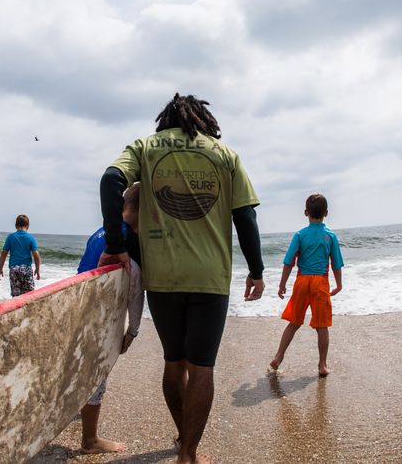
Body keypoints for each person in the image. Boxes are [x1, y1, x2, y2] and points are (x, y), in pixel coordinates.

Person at [98, 93, 265, 464]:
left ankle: (182, 433)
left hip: (163, 278)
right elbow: (245, 217)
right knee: (202, 367)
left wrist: (116, 244)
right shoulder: (225, 154)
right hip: (209, 278)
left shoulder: (146, 147)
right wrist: (256, 270)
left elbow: (111, 181)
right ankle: (188, 452)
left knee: (174, 362)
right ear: (202, 119)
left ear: (165, 120)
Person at [76, 182, 145, 454]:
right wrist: (132, 333)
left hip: (79, 309)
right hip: (99, 320)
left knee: (82, 371)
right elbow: (135, 289)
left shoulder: (100, 232)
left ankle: (78, 411)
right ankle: (90, 440)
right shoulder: (128, 243)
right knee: (96, 378)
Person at [270, 193, 344, 377]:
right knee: (322, 326)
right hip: (320, 283)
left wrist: (282, 284)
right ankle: (322, 365)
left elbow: (289, 262)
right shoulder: (330, 236)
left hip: (302, 282)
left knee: (294, 322)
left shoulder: (300, 235)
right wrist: (339, 284)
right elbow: (336, 263)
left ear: (306, 212)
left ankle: (279, 356)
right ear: (326, 213)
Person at [0, 215, 40, 296]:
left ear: (15, 226)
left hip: (14, 269)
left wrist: (0, 268)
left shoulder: (11, 237)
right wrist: (37, 269)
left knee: (16, 295)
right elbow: (36, 255)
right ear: (28, 226)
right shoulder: (30, 238)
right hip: (26, 269)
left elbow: (4, 253)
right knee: (29, 295)